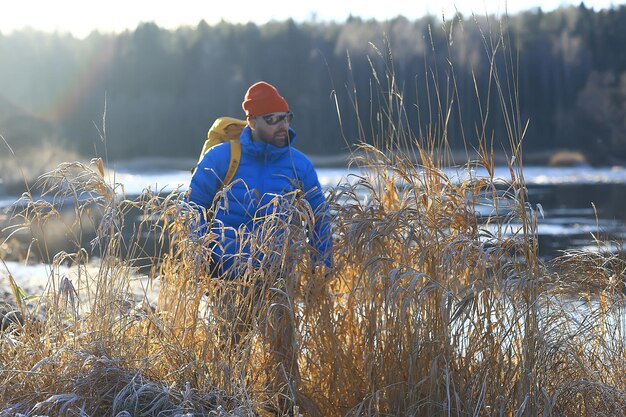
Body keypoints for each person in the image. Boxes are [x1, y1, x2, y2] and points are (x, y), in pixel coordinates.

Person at [187, 81, 332, 415]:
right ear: (251, 121)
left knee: (283, 361)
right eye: (272, 119)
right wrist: (197, 255)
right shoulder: (223, 157)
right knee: (228, 357)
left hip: (277, 279)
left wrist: (320, 264)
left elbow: (320, 219)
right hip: (227, 277)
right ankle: (228, 407)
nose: (282, 125)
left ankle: (280, 409)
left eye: (286, 117)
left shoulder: (299, 165)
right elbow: (192, 207)